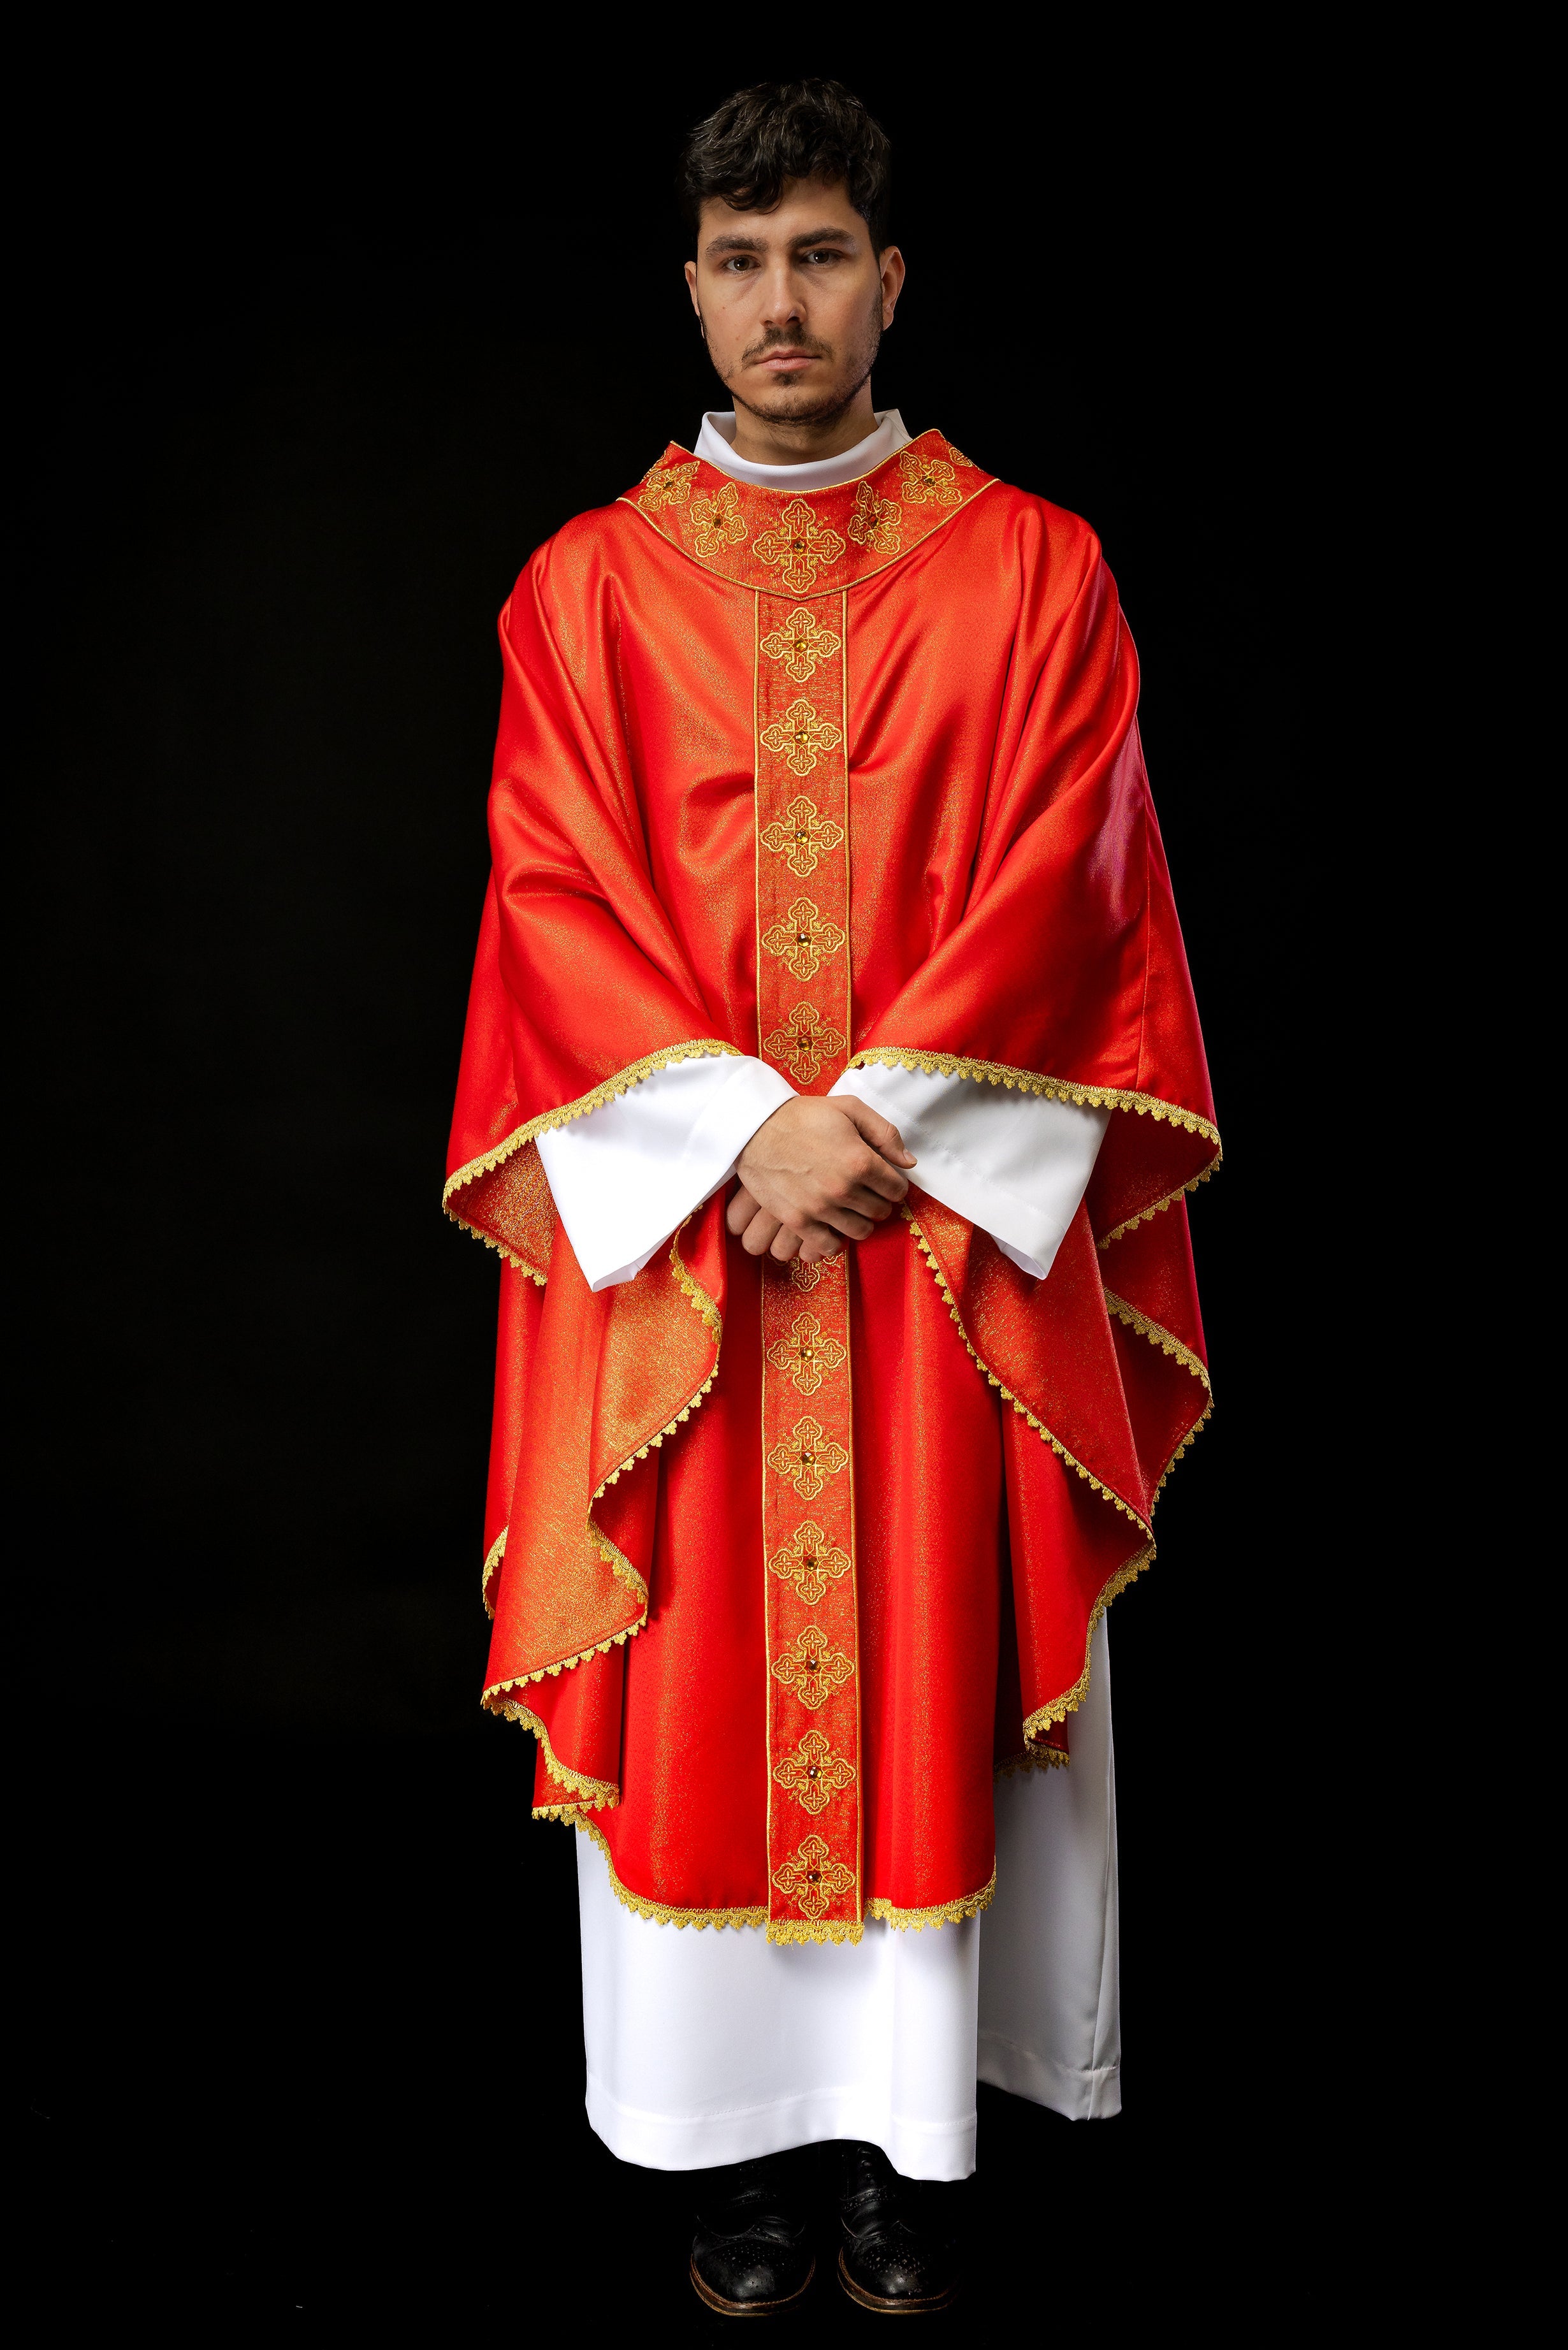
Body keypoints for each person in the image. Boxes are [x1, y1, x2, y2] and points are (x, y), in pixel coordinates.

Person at [444, 78, 1217, 2317]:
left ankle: (905, 2142)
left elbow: (1074, 877)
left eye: (819, 255)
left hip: (936, 1245)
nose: (780, 301)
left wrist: (862, 1133)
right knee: (696, 1655)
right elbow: (544, 893)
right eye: (737, 258)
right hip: (696, 1244)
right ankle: (726, 2160)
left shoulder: (1032, 566)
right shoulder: (584, 588)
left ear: (889, 279)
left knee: (938, 1654)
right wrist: (731, 1141)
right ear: (688, 283)